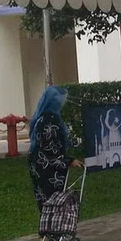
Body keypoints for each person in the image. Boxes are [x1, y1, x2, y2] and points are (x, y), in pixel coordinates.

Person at [28, 86, 82, 219]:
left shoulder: (42, 117)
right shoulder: (50, 120)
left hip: (38, 164)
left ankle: (48, 231)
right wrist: (69, 160)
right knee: (53, 200)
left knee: (45, 201)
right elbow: (50, 147)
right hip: (48, 167)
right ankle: (54, 231)